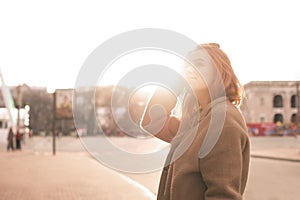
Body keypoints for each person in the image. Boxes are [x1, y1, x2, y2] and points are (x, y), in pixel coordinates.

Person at [139, 43, 250, 199]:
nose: (190, 70)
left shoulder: (222, 119)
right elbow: (152, 122)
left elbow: (222, 195)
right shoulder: (195, 122)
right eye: (187, 66)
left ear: (220, 72)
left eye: (199, 64)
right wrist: (174, 83)